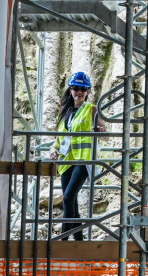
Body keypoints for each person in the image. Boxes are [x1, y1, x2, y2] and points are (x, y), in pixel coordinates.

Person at [47, 71, 105, 240]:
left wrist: (100, 131)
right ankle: (78, 241)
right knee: (72, 203)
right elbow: (58, 140)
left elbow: (106, 134)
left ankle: (64, 240)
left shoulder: (91, 109)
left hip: (84, 160)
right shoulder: (65, 112)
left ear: (87, 91)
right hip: (67, 161)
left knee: (68, 197)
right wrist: (52, 149)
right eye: (76, 88)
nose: (79, 92)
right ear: (71, 90)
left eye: (83, 89)